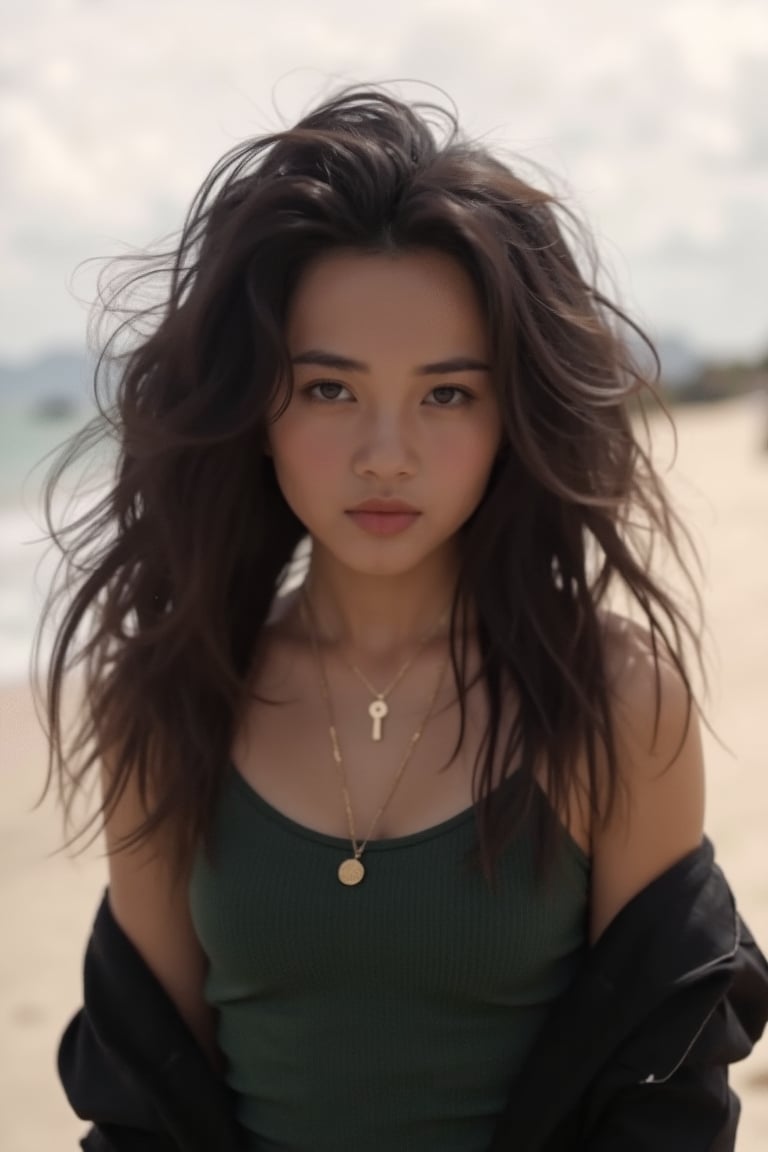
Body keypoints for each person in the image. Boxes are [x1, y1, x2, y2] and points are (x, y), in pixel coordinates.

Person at [39, 87, 768, 1152]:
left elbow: (666, 1109)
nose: (387, 452)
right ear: (258, 410)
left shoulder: (612, 702)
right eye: (331, 391)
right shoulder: (169, 697)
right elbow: (147, 1112)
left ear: (512, 416)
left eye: (447, 395)